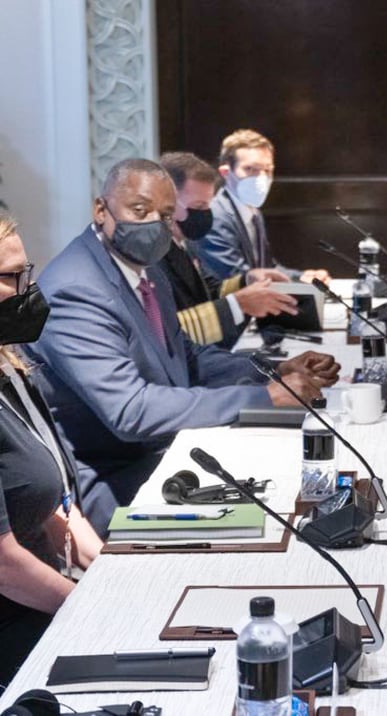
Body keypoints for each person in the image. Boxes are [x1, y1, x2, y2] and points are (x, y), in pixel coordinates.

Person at [24, 159, 339, 534]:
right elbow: (132, 411)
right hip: (114, 480)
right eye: (139, 210)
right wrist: (264, 397)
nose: (153, 224)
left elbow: (189, 358)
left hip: (164, 451)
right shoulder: (75, 289)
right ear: (100, 210)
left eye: (164, 215)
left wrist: (273, 371)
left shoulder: (145, 267)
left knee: (295, 478)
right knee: (272, 519)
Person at [0, 212, 103, 686]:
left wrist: (111, 574)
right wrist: (92, 608)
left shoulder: (10, 363)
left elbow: (47, 501)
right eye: (10, 277)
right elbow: (4, 566)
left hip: (40, 595)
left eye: (26, 272)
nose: (27, 289)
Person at [158, 151, 298, 347]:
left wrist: (247, 280)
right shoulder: (152, 253)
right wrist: (238, 305)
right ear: (167, 203)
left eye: (208, 205)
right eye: (199, 206)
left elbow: (207, 290)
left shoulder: (183, 241)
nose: (206, 214)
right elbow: (167, 331)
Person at [194, 129, 330, 283]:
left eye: (267, 170)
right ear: (225, 172)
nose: (261, 178)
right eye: (250, 169)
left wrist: (301, 277)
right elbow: (235, 278)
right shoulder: (214, 217)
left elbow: (266, 267)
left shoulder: (253, 212)